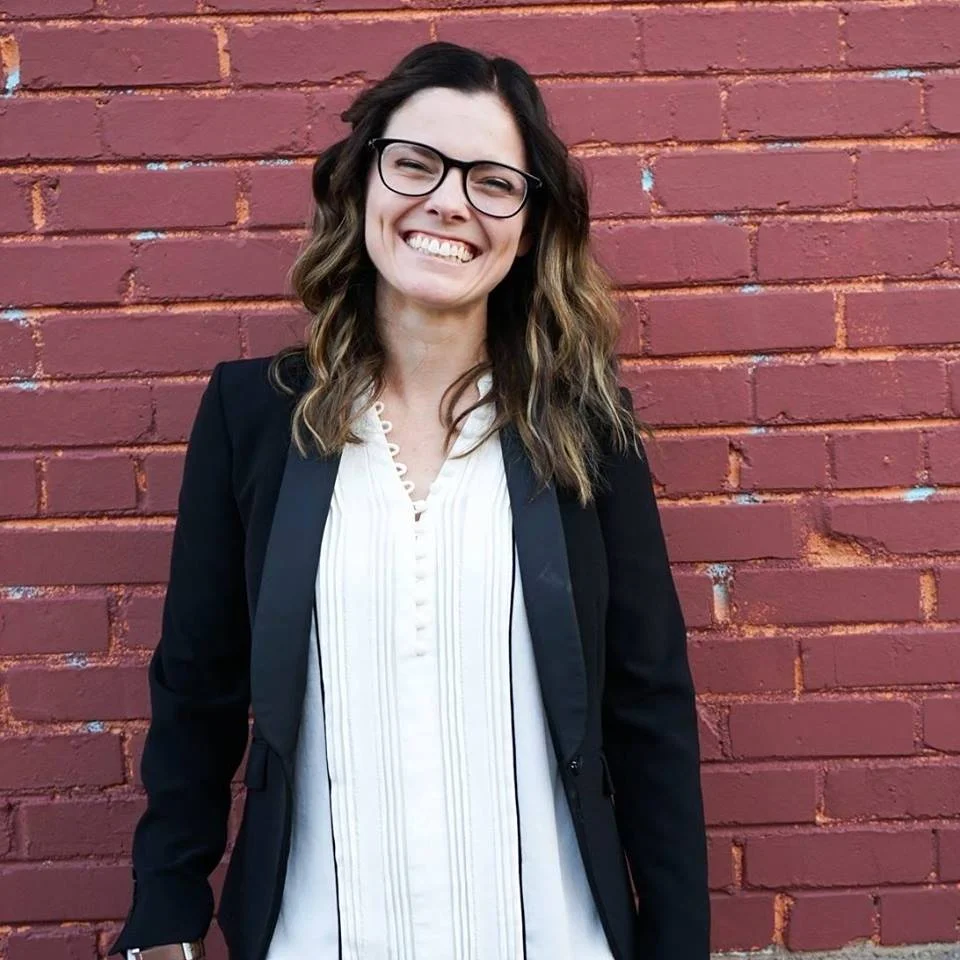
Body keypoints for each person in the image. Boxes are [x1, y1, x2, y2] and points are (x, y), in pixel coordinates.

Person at [110, 40, 709, 960]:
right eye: (417, 163)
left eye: (492, 181)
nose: (449, 202)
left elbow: (648, 707)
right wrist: (165, 914)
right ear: (362, 184)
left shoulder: (585, 429)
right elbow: (198, 687)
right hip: (321, 939)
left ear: (530, 221)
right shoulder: (256, 419)